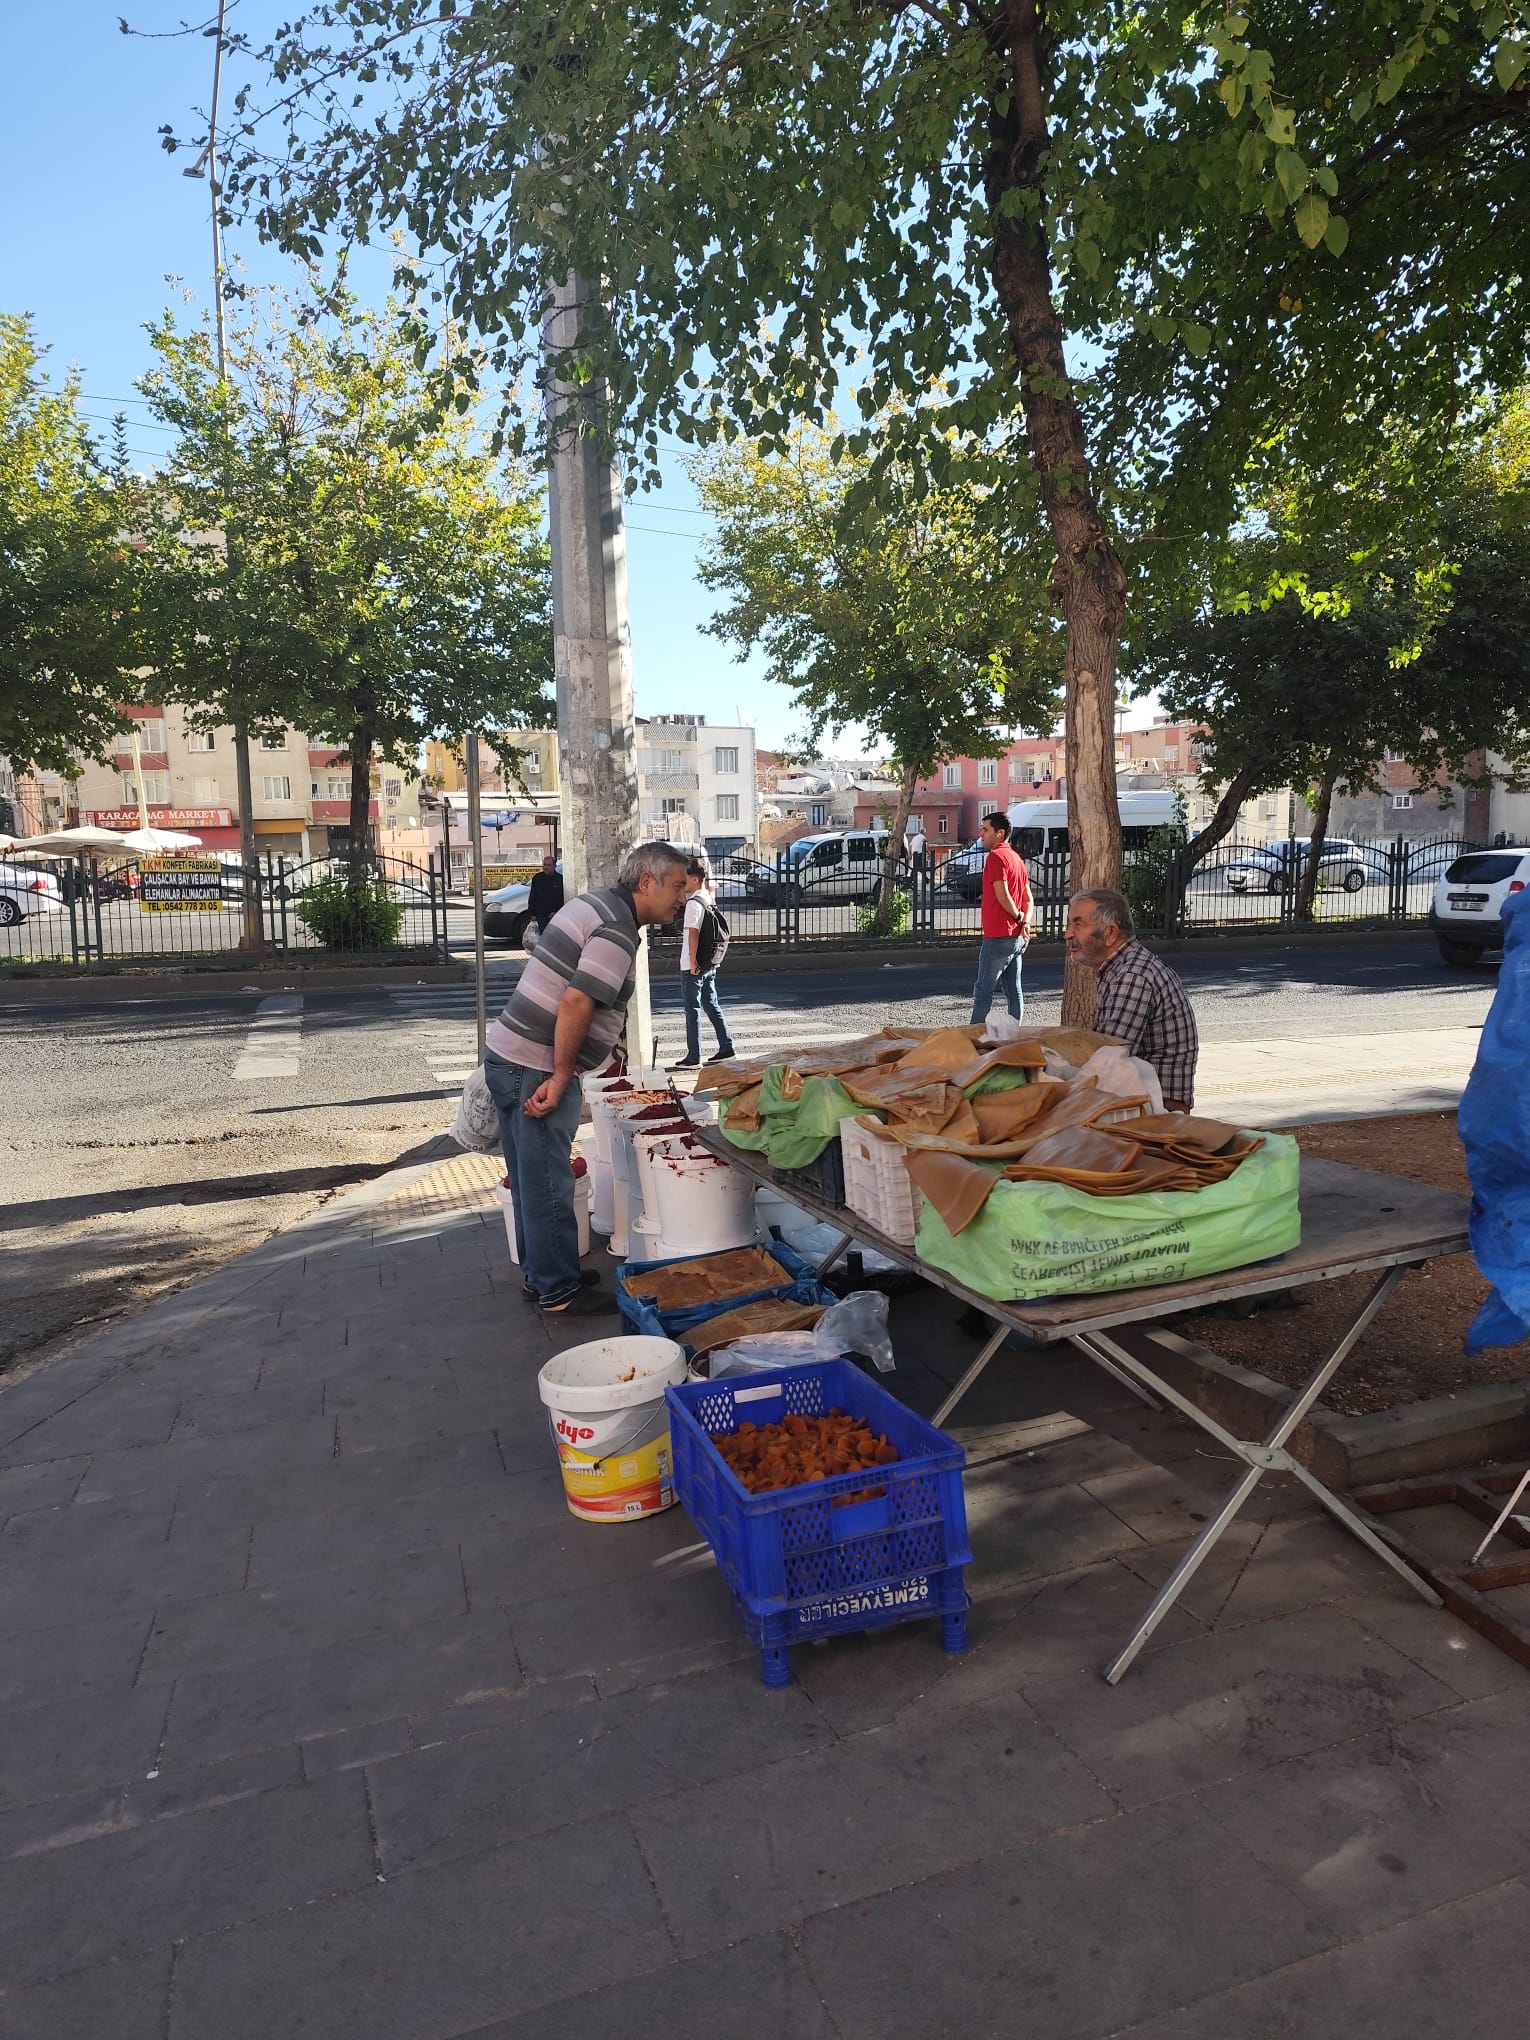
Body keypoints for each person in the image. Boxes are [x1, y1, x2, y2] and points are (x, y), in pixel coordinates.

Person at [484, 842, 689, 1315]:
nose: (682, 897)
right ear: (646, 882)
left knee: (529, 1176)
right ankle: (559, 1291)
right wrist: (560, 1075)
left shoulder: (594, 903)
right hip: (534, 1065)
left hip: (510, 1055)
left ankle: (543, 1276)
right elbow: (577, 1002)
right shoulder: (616, 930)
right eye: (676, 886)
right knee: (548, 1182)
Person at [1065, 886, 1199, 1111]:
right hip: (1144, 1102)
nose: (1068, 934)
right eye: (1070, 924)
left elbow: (1107, 1062)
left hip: (1157, 1112)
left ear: (1110, 934)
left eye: (1078, 924)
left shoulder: (1132, 976)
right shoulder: (1125, 967)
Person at [670, 856, 736, 1070]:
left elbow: (693, 934)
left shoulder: (693, 903)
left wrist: (692, 964)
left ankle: (693, 1057)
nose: (683, 881)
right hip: (709, 965)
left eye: (686, 878)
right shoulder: (707, 898)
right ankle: (726, 1048)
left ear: (695, 879)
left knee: (692, 1009)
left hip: (694, 966)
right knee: (711, 1004)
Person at [970, 810, 1032, 1028]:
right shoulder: (1016, 858)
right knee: (1013, 990)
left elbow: (1002, 893)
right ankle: (1014, 1033)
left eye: (986, 829)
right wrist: (1024, 921)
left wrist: (1017, 916)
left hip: (998, 934)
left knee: (983, 991)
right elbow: (1028, 898)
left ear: (1000, 833)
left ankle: (972, 1039)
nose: (981, 834)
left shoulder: (996, 857)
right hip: (1016, 936)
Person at [525, 854, 563, 935]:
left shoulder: (560, 879)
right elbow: (532, 896)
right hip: (540, 916)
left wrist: (556, 911)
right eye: (544, 864)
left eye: (548, 865)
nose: (546, 867)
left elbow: (562, 897)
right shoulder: (537, 878)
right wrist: (532, 914)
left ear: (554, 866)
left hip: (554, 916)